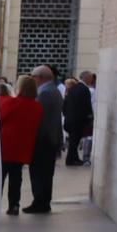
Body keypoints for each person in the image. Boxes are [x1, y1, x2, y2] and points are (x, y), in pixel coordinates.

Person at [0, 74, 42, 214]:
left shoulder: (11, 103)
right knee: (16, 178)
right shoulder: (37, 107)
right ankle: (14, 205)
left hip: (5, 145)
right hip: (22, 147)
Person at [30, 63, 64, 212]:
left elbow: (39, 118)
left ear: (40, 78)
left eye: (33, 77)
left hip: (43, 140)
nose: (32, 80)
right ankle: (43, 201)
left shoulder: (44, 93)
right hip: (51, 138)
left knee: (39, 173)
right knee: (46, 173)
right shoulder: (53, 90)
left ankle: (40, 202)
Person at [64, 71, 94, 166]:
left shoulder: (74, 88)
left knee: (74, 140)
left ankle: (74, 158)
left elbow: (65, 103)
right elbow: (87, 105)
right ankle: (71, 160)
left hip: (70, 119)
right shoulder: (84, 89)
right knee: (74, 141)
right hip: (77, 120)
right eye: (90, 78)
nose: (91, 80)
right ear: (86, 78)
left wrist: (67, 115)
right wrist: (89, 118)